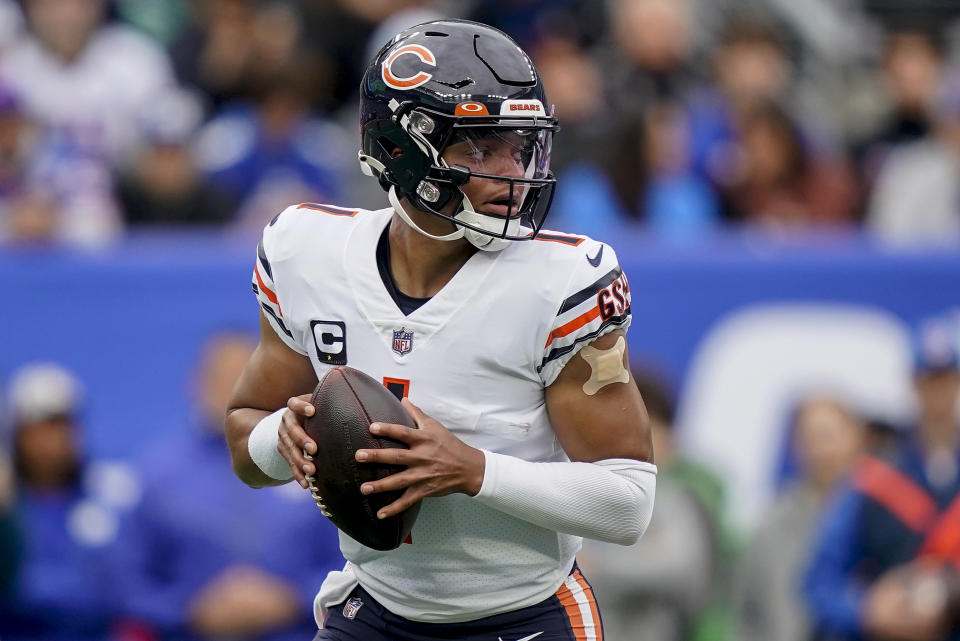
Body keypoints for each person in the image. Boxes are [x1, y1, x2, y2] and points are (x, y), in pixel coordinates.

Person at [224, 19, 656, 641]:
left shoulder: (561, 282)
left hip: (523, 616)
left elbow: (628, 502)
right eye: (481, 148)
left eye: (521, 145)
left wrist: (474, 470)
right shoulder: (305, 253)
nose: (513, 172)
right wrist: (283, 438)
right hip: (374, 611)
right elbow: (245, 438)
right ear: (403, 148)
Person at [113, 332, 343, 641]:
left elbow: (351, 561)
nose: (232, 389)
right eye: (222, 377)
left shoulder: (313, 460)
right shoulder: (156, 475)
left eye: (244, 377)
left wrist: (294, 599)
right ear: (195, 384)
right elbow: (124, 578)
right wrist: (188, 610)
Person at [803, 315, 960, 641]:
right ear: (912, 384)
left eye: (945, 380)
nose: (937, 394)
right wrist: (868, 610)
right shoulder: (877, 478)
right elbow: (820, 580)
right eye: (928, 381)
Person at [0, 363, 125, 641]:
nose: (56, 439)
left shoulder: (111, 497)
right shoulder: (8, 512)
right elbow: (19, 591)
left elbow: (123, 588)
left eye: (65, 425)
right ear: (19, 435)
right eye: (44, 427)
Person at [735, 395, 867, 641]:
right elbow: (746, 609)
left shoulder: (879, 516)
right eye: (810, 438)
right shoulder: (773, 523)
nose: (821, 450)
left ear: (855, 438)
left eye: (828, 436)